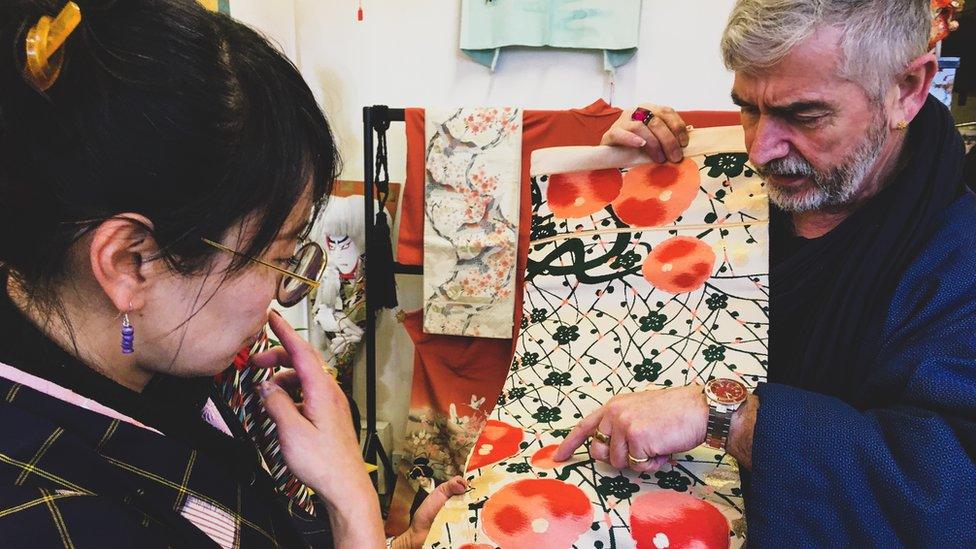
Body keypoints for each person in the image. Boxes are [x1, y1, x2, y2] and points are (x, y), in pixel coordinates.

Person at [0, 1, 459, 547]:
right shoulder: (49, 517)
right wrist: (353, 507)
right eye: (279, 258)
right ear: (131, 264)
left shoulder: (164, 355)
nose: (281, 298)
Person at [555, 0, 976, 545]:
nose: (759, 149)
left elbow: (952, 489)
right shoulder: (732, 193)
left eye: (804, 116)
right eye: (747, 109)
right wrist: (637, 169)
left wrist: (733, 417)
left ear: (908, 89)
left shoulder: (957, 262)